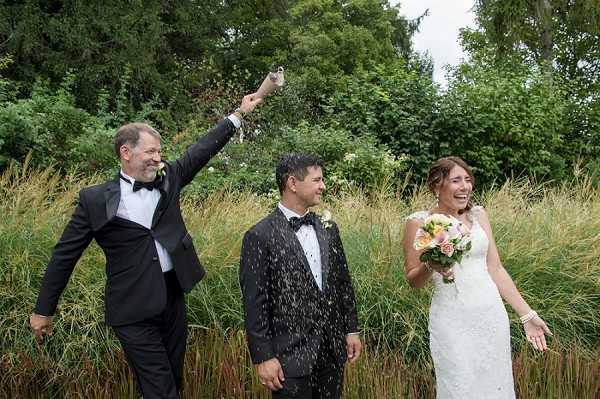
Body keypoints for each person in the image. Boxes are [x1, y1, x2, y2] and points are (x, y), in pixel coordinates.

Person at [29, 93, 262, 399]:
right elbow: (65, 255)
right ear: (125, 152)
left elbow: (200, 151)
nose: (157, 157)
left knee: (173, 381)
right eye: (150, 152)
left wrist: (237, 115)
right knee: (161, 389)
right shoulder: (95, 199)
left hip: (172, 297)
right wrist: (43, 310)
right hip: (132, 307)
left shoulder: (169, 178)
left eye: (159, 152)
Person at [403, 156, 553, 399]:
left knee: (495, 386)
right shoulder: (420, 222)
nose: (465, 187)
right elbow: (413, 280)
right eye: (456, 181)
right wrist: (431, 264)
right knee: (459, 387)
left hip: (490, 315)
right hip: (451, 319)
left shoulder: (478, 216)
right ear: (436, 186)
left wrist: (527, 315)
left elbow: (496, 269)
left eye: (468, 180)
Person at [239, 153, 362, 399]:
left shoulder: (329, 228)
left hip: (331, 350)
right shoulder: (259, 235)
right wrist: (264, 357)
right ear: (293, 184)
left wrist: (351, 329)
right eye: (317, 180)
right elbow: (255, 303)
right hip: (288, 358)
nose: (323, 186)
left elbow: (342, 282)